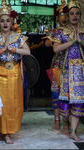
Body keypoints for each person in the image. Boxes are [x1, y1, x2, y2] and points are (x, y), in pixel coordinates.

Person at [0, 0, 30, 144]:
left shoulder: (18, 37)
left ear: (12, 22)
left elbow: (27, 51)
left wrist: (13, 49)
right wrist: (3, 49)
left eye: (8, 21)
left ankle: (8, 131)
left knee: (14, 102)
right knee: (0, 102)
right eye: (2, 20)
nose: (5, 23)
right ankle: (3, 131)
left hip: (15, 71)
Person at [53, 0, 84, 142]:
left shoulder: (83, 31)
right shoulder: (61, 32)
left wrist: (80, 41)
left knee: (78, 100)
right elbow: (55, 48)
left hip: (79, 71)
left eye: (77, 13)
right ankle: (65, 124)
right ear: (67, 15)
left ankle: (73, 131)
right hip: (66, 70)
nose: (75, 16)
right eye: (72, 13)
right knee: (64, 100)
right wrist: (73, 41)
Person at [42, 0, 68, 131]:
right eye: (61, 17)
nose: (63, 19)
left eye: (65, 16)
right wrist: (56, 40)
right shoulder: (55, 31)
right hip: (57, 66)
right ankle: (57, 122)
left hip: (70, 66)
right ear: (58, 19)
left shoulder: (72, 32)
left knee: (68, 94)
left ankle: (67, 124)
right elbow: (47, 44)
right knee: (55, 94)